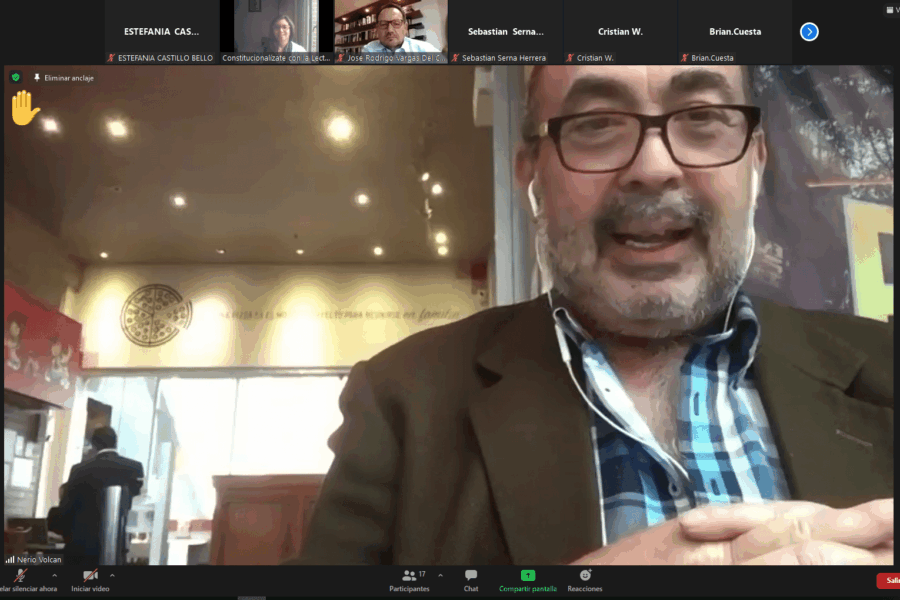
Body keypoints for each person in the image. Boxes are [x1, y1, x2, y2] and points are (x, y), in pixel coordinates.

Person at [284, 65, 893, 566]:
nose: (653, 167)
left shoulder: (885, 366)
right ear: (530, 171)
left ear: (756, 159)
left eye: (702, 118)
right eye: (596, 124)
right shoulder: (402, 397)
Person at [48, 427, 144, 566]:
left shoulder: (79, 470)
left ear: (94, 445)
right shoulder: (134, 468)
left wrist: (62, 532)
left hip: (82, 545)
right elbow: (138, 503)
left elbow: (67, 508)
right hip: (116, 544)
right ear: (115, 443)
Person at [362, 3, 440, 54]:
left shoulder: (425, 49)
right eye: (383, 24)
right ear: (377, 29)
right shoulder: (369, 50)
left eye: (396, 23)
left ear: (405, 27)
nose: (390, 30)